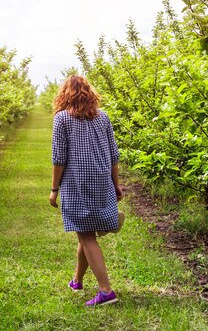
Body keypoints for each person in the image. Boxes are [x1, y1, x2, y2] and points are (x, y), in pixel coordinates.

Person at [49, 75, 123, 307]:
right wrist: (116, 183)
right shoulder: (103, 117)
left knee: (87, 236)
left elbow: (59, 158)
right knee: (85, 231)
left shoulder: (62, 119)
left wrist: (54, 189)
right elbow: (114, 156)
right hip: (101, 180)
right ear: (90, 93)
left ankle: (106, 291)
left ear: (65, 94)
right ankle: (77, 280)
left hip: (77, 183)